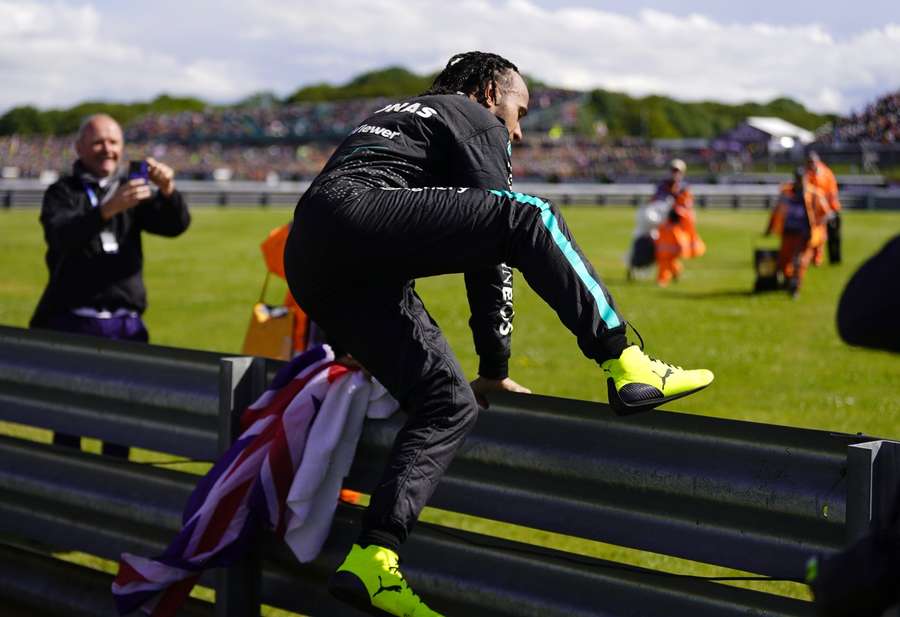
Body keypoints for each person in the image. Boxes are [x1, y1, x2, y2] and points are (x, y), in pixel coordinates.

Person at [283, 51, 714, 617]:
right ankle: (627, 364)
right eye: (520, 111)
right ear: (490, 91)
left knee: (447, 402)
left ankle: (374, 560)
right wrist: (497, 366)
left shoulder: (401, 113)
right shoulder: (473, 115)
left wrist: (475, 372)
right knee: (530, 215)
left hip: (311, 255)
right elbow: (496, 244)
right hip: (356, 223)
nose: (518, 130)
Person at [30, 113, 190, 458]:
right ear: (79, 147)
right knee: (70, 419)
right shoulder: (62, 192)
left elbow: (175, 226)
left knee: (122, 421)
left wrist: (168, 190)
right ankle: (67, 494)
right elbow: (60, 236)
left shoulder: (132, 191)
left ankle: (115, 499)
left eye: (114, 142)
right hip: (74, 322)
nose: (108, 149)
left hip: (124, 323)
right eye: (99, 142)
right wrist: (105, 210)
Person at [764, 168, 829, 298]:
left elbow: (825, 212)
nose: (799, 181)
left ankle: (795, 287)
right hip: (788, 231)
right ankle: (788, 281)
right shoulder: (786, 192)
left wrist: (817, 227)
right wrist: (770, 228)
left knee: (800, 262)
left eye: (802, 178)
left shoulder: (814, 193)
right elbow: (776, 211)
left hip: (804, 234)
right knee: (783, 261)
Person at [651, 159, 706, 278]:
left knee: (674, 252)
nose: (675, 173)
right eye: (673, 170)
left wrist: (678, 210)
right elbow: (655, 201)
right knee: (663, 252)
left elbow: (687, 207)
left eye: (677, 171)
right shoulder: (663, 186)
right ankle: (664, 277)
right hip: (664, 224)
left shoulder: (684, 188)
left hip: (678, 226)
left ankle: (675, 270)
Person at [804, 150, 842, 265]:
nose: (811, 164)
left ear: (818, 161)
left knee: (833, 236)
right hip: (814, 210)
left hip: (829, 209)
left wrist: (830, 211)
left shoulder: (826, 173)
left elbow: (832, 192)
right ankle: (815, 258)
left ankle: (834, 259)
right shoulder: (806, 174)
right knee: (815, 235)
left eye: (812, 162)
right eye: (809, 162)